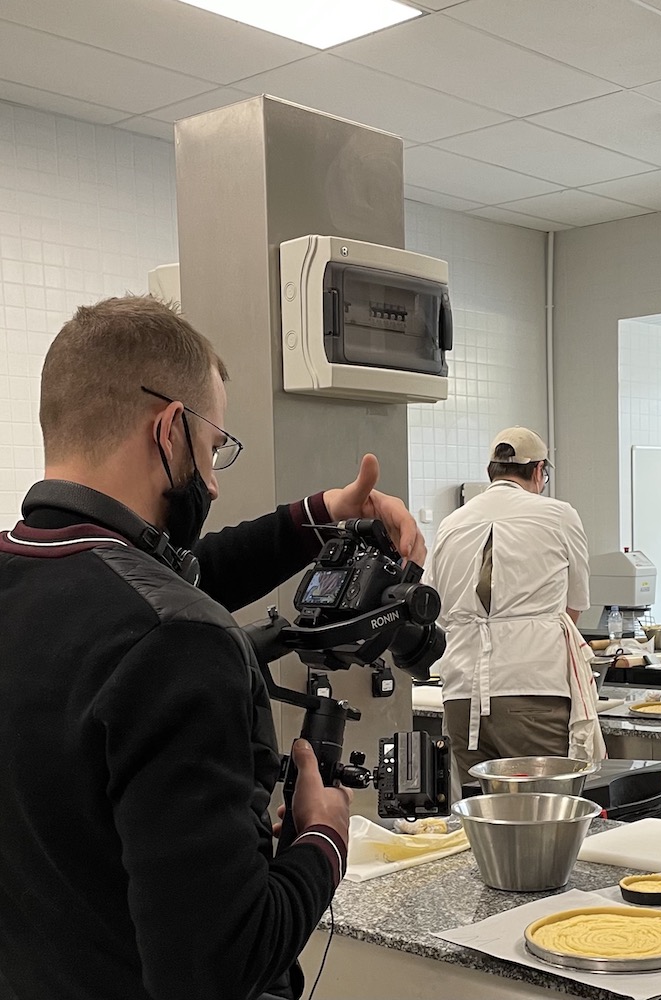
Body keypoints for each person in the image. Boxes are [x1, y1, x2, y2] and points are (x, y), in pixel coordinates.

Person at [0, 296, 425, 1000]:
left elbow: (159, 583)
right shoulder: (178, 642)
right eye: (214, 448)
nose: (217, 481)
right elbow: (220, 965)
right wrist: (320, 842)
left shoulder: (48, 585)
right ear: (170, 431)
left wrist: (322, 513)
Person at [425, 426, 601, 791]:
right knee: (544, 815)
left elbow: (434, 608)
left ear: (492, 471)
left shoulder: (450, 524)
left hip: (462, 693)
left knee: (483, 820)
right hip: (532, 689)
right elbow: (575, 606)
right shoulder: (559, 515)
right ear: (539, 471)